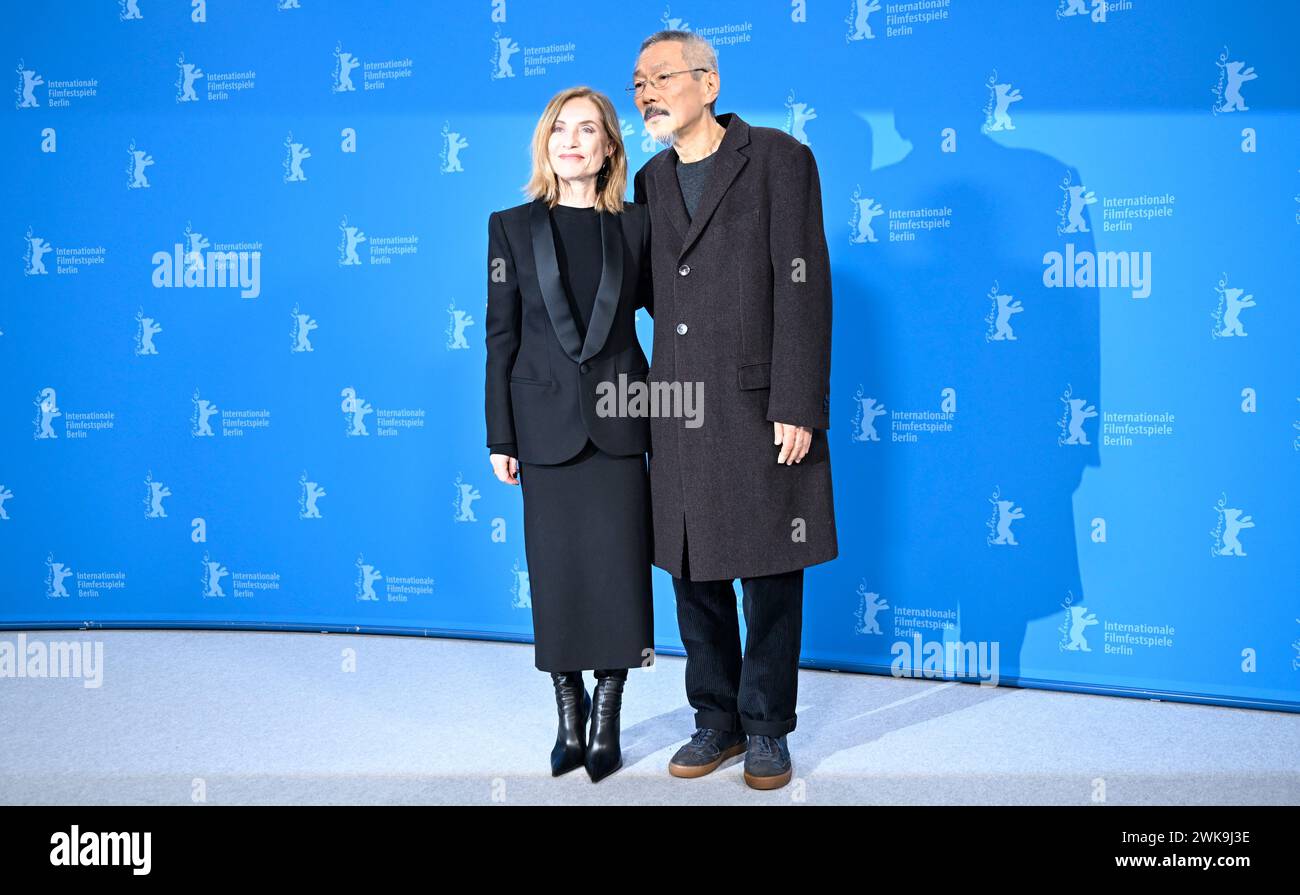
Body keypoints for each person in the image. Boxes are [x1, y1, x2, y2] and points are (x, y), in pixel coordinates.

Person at [630, 31, 838, 790]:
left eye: (661, 77)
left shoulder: (780, 159)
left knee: (769, 569)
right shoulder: (649, 181)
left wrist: (796, 400)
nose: (647, 92)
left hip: (759, 404)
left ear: (709, 81)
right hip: (678, 405)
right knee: (692, 569)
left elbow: (804, 286)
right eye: (638, 83)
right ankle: (714, 718)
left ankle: (766, 728)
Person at [484, 86, 655, 783]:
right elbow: (500, 336)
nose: (573, 140)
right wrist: (501, 435)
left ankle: (609, 705)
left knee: (618, 569)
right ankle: (568, 707)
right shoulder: (509, 226)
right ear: (545, 143)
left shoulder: (639, 226)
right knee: (556, 574)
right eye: (561, 129)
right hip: (542, 425)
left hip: (621, 422)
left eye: (589, 129)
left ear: (610, 146)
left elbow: (675, 317)